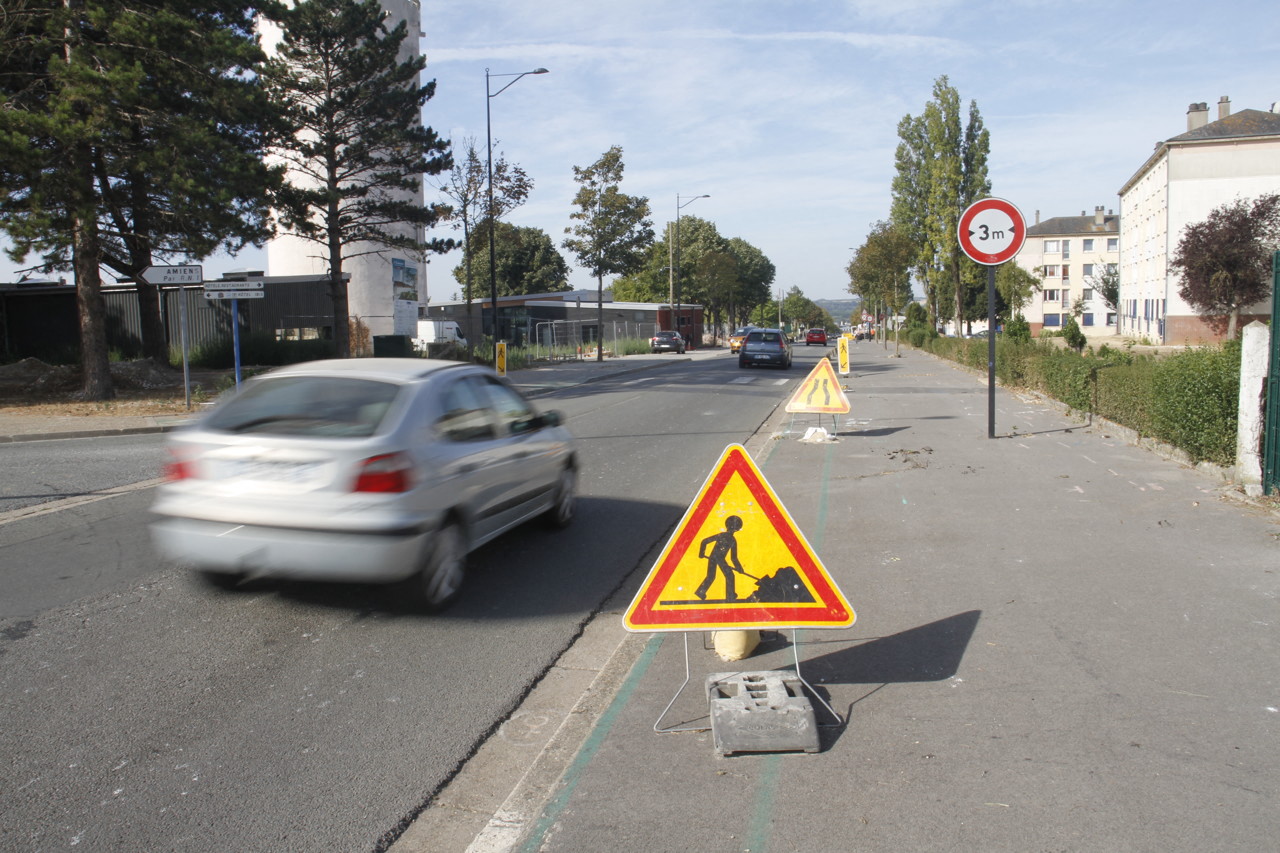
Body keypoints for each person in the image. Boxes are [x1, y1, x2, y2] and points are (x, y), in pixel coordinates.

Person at [695, 515, 748, 601]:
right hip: (718, 558)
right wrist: (701, 553)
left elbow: (733, 557)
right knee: (729, 576)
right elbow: (733, 558)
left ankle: (701, 591)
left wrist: (739, 568)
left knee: (711, 576)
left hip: (714, 557)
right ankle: (730, 596)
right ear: (737, 529)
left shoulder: (726, 537)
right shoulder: (731, 539)